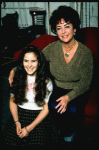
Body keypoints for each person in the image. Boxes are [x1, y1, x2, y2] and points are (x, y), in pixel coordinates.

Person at [8, 6, 93, 145]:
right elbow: (34, 58)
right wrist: (15, 69)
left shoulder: (85, 53)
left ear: (75, 28)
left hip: (77, 90)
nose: (63, 31)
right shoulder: (53, 48)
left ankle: (70, 135)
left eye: (67, 26)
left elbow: (85, 82)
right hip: (58, 86)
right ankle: (62, 134)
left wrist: (68, 97)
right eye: (59, 28)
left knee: (72, 108)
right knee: (53, 106)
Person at [3, 45, 54, 146]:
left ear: (39, 62)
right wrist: (17, 122)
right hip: (20, 115)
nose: (29, 65)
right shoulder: (17, 78)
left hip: (38, 118)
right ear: (22, 62)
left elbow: (46, 108)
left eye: (33, 61)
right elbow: (12, 101)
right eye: (26, 61)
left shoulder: (46, 81)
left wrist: (29, 128)